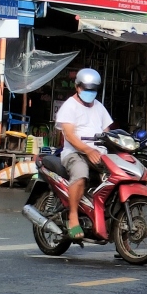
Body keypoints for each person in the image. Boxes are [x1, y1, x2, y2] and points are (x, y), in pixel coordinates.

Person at [54, 68, 113, 241]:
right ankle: (73, 217)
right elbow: (69, 135)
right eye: (86, 89)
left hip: (98, 153)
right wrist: (88, 150)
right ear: (77, 87)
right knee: (81, 175)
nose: (89, 93)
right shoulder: (69, 106)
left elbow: (107, 131)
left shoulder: (99, 107)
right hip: (74, 153)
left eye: (93, 90)